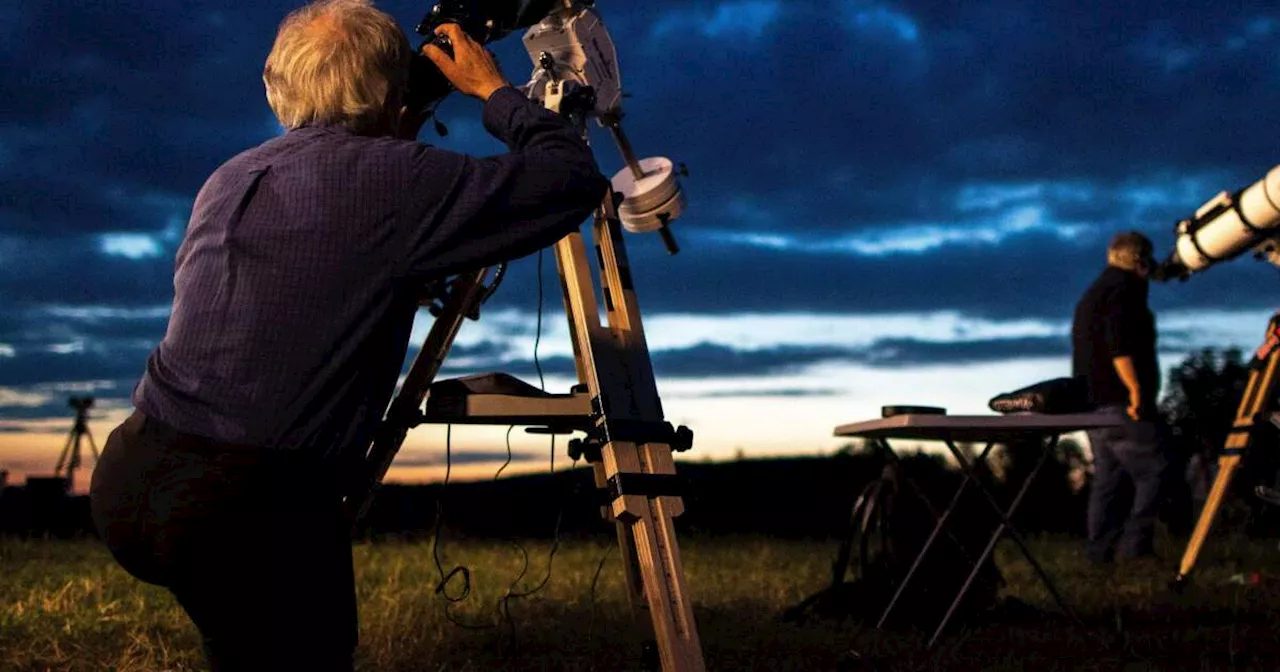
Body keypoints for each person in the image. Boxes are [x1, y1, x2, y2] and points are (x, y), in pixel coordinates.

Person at [88, 1, 608, 669]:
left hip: (134, 478)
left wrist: (399, 123)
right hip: (245, 507)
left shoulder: (232, 175)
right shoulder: (395, 181)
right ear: (390, 90)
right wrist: (493, 91)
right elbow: (568, 181)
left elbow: (299, 276)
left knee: (242, 638)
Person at [1071, 231, 1171, 564]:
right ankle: (1135, 549)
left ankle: (1098, 555)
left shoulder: (1096, 292)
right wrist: (1136, 391)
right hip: (1119, 401)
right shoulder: (1123, 290)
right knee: (1157, 468)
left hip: (1091, 403)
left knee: (1108, 482)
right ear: (1139, 260)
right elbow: (1119, 345)